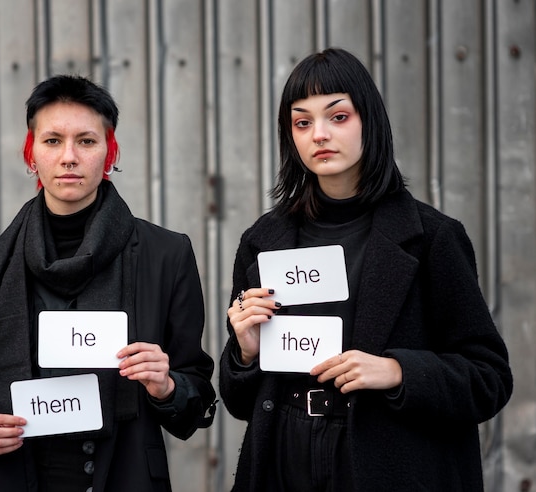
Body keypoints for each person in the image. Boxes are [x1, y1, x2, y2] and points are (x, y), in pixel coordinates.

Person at [219, 48, 513, 491]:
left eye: (338, 116)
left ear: (369, 121)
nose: (319, 134)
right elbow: (241, 401)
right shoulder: (263, 241)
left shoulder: (432, 238)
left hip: (390, 465)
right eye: (302, 122)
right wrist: (244, 352)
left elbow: (489, 379)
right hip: (285, 457)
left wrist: (397, 371)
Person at [0, 74, 216, 492]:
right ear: (31, 155)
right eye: (52, 141)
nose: (69, 157)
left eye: (86, 141)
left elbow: (197, 400)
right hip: (14, 477)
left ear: (109, 152)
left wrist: (166, 384)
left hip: (123, 476)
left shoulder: (166, 256)